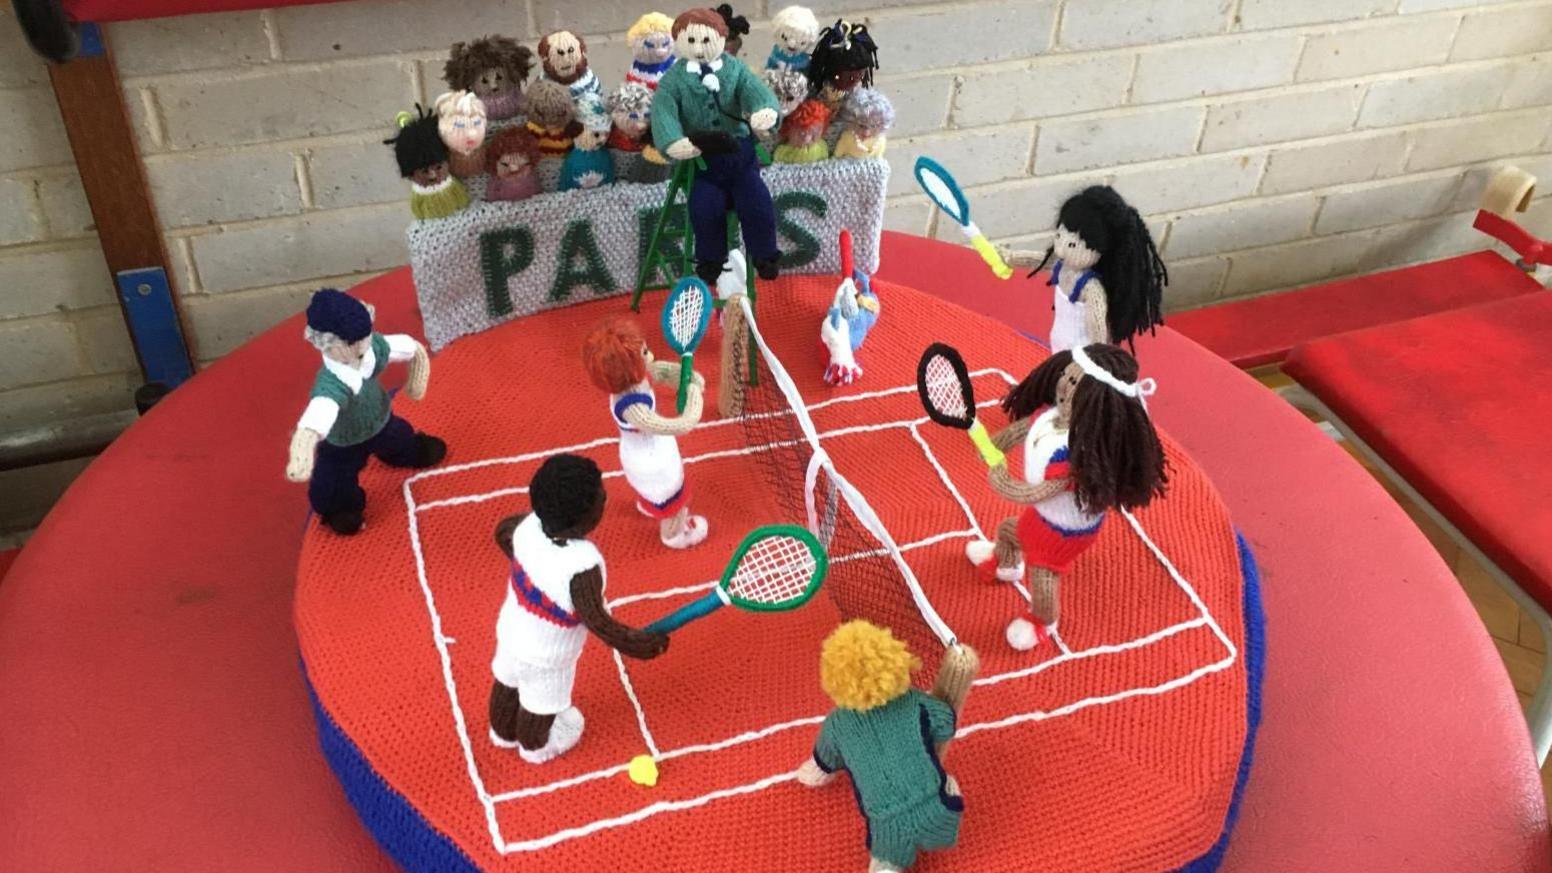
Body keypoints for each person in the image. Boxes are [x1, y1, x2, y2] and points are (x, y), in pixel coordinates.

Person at [967, 345, 1168, 650]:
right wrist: (988, 443)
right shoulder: (1048, 417)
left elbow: (1034, 492)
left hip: (1065, 533)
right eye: (1066, 377)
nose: (1064, 385)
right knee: (1011, 531)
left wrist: (1000, 476)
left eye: (1075, 384)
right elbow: (1019, 431)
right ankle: (1006, 563)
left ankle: (1043, 620)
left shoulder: (1079, 455)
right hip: (1043, 517)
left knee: (1043, 574)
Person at [488, 454, 669, 763]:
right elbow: (597, 621)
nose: (605, 497)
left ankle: (502, 732)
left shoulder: (527, 527)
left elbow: (502, 533)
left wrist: (531, 568)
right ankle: (536, 747)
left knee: (507, 681)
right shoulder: (580, 566)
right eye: (601, 497)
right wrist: (637, 643)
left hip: (511, 632)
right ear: (584, 519)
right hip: (547, 658)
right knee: (540, 704)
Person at [797, 621, 978, 872]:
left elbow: (822, 764)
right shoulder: (915, 701)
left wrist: (813, 773)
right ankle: (943, 809)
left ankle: (887, 865)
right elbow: (946, 724)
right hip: (939, 811)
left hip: (887, 825)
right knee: (948, 790)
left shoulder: (837, 723)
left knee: (886, 859)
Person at [284, 288, 445, 534]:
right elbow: (320, 412)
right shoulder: (332, 383)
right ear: (327, 343)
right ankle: (341, 509)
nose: (362, 344)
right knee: (334, 479)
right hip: (344, 442)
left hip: (380, 420)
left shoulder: (371, 348)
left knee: (399, 437)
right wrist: (304, 443)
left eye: (364, 335)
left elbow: (407, 348)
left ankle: (409, 452)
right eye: (351, 342)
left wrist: (416, 377)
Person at [651, 7, 782, 284]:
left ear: (722, 39)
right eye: (691, 41)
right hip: (702, 162)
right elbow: (663, 111)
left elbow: (756, 91)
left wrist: (764, 110)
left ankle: (765, 255)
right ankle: (711, 260)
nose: (699, 49)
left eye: (706, 41)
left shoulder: (734, 69)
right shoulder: (673, 80)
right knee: (704, 206)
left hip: (740, 157)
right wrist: (672, 140)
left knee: (756, 200)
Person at [582, 317, 710, 549]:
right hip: (652, 461)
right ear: (628, 366)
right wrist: (693, 395)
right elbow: (682, 425)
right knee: (673, 500)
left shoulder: (632, 376)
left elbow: (659, 371)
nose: (648, 355)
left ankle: (649, 504)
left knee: (653, 493)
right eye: (643, 353)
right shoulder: (633, 408)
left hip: (641, 451)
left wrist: (688, 376)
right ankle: (674, 534)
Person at [1001, 186, 1168, 353]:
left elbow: (1096, 322)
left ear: (1100, 250)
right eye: (1059, 236)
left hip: (1082, 350)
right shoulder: (1062, 265)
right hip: (1058, 339)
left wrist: (1099, 352)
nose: (1059, 249)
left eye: (1072, 245)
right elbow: (1037, 260)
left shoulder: (1090, 287)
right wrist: (1009, 257)